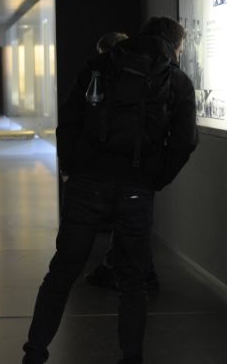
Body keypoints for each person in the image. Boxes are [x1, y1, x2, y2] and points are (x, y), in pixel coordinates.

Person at [22, 16, 198, 364]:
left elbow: (69, 122)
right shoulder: (177, 81)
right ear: (176, 46)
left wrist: (73, 168)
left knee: (62, 273)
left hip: (87, 185)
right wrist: (153, 179)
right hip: (136, 189)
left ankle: (34, 353)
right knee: (133, 282)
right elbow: (184, 142)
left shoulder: (100, 66)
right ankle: (130, 358)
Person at [84, 31, 160, 292]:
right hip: (139, 168)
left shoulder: (109, 81)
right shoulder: (151, 76)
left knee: (128, 224)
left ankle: (131, 274)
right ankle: (136, 274)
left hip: (122, 168)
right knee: (134, 226)